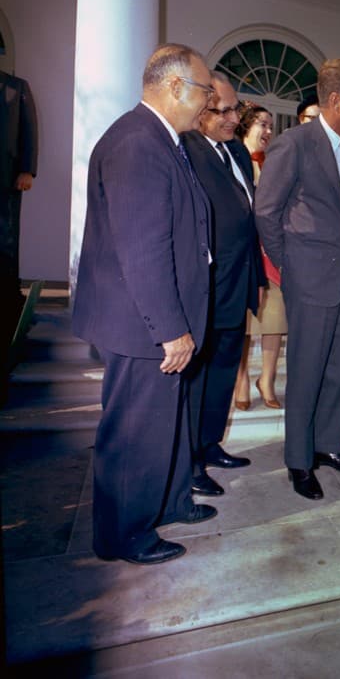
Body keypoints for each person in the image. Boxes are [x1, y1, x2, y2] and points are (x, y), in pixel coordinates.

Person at [72, 43, 217, 564]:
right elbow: (143, 248)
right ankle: (124, 534)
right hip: (140, 321)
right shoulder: (138, 142)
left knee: (166, 421)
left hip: (152, 314)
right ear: (176, 86)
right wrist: (170, 328)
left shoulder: (163, 139)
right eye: (204, 91)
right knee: (134, 431)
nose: (209, 102)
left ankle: (171, 500)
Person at [256, 58, 340, 500]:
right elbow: (266, 211)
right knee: (306, 370)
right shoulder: (295, 143)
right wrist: (289, 266)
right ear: (336, 99)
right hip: (309, 277)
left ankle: (328, 445)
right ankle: (299, 460)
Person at [181, 72, 264, 498]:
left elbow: (248, 220)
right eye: (224, 110)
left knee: (224, 374)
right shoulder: (186, 151)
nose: (235, 118)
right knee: (198, 381)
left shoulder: (234, 150)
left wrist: (259, 277)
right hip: (206, 289)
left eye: (237, 108)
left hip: (238, 283)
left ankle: (211, 445)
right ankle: (190, 462)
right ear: (199, 111)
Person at [232, 102, 286, 411]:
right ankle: (241, 380)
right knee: (244, 324)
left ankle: (266, 379)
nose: (267, 131)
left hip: (272, 252)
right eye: (261, 124)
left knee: (274, 319)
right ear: (246, 125)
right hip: (244, 253)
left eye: (270, 126)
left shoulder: (274, 163)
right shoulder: (233, 158)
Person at [0, 71, 37, 404]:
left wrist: (28, 169)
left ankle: (9, 292)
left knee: (6, 243)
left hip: (6, 181)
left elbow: (28, 129)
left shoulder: (16, 87)